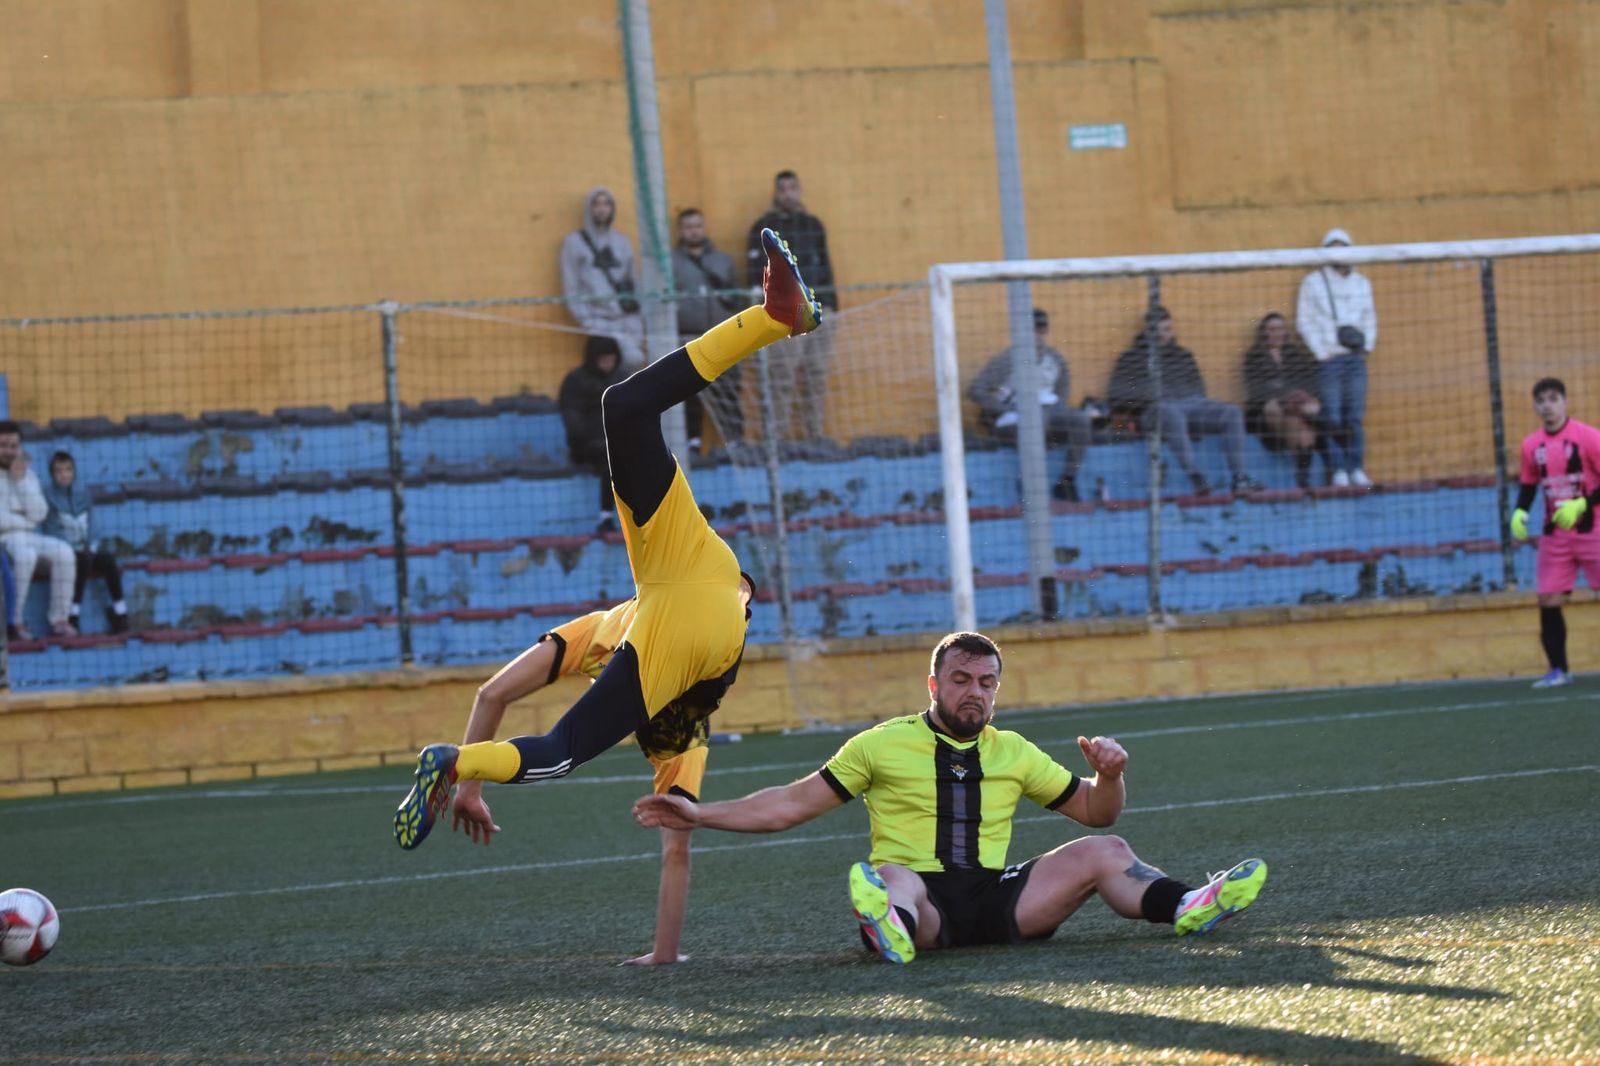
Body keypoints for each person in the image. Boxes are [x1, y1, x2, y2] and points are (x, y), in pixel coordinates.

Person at [393, 228, 821, 871]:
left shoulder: (625, 649)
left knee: (623, 406)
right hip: (693, 599)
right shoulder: (677, 724)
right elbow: (676, 841)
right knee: (562, 748)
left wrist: (471, 778)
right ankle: (776, 317)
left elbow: (495, 697)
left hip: (694, 577)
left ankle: (774, 319)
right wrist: (469, 776)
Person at [634, 631, 1268, 964]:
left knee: (1105, 847)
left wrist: (1110, 776)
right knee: (889, 875)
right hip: (927, 904)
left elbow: (1096, 811)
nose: (975, 693)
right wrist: (701, 813)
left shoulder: (1013, 749)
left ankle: (1189, 904)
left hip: (1000, 902)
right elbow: (790, 805)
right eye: (961, 680)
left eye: (987, 683)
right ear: (933, 683)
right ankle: (892, 928)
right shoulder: (880, 745)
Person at [440, 593, 749, 965]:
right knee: (560, 753)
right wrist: (664, 954)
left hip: (628, 622)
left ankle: (460, 761)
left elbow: (491, 694)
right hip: (684, 634)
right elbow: (676, 849)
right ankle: (457, 760)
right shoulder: (683, 739)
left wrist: (469, 791)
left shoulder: (605, 626)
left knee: (553, 745)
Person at [1107, 308, 1264, 496]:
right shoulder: (1130, 358)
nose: (1163, 335)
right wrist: (1146, 395)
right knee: (1170, 412)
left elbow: (1199, 389)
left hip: (1191, 406)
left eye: (1167, 329)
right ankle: (1194, 475)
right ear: (1147, 331)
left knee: (1231, 412)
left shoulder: (1183, 355)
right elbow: (1116, 395)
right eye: (1157, 330)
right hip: (1152, 412)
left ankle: (1240, 478)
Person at [1509, 377, 1600, 688]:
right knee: (1548, 598)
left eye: (1553, 399)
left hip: (1594, 529)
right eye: (1541, 400)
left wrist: (1582, 505)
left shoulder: (1588, 438)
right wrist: (1520, 512)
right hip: (1555, 535)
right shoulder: (1531, 445)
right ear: (1535, 406)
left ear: (1564, 402)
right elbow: (1529, 483)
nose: (1547, 406)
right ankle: (1558, 670)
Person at [745, 171, 837, 442]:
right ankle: (778, 441)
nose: (787, 193)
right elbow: (754, 272)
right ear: (776, 193)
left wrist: (831, 306)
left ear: (799, 190)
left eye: (792, 188)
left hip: (820, 309)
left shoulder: (813, 224)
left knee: (816, 375)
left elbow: (826, 266)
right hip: (785, 311)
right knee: (781, 378)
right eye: (782, 189)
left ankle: (814, 436)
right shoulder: (763, 227)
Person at [966, 308, 1093, 501]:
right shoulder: (1007, 360)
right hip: (1013, 421)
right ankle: (1030, 481)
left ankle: (1067, 480)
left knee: (1080, 420)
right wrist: (1005, 408)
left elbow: (1062, 393)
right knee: (1035, 419)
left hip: (1048, 416)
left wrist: (1053, 408)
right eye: (1033, 331)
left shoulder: (1055, 359)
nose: (1038, 336)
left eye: (1041, 331)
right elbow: (975, 390)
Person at [1295, 228, 1378, 487]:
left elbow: (1370, 318)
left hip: (1355, 359)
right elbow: (1304, 320)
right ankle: (1338, 468)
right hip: (1329, 360)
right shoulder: (1313, 282)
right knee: (1331, 415)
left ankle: (1356, 467)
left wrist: (1367, 346)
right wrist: (1321, 352)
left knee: (1354, 416)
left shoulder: (1362, 283)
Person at [671, 208, 747, 450]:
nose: (694, 231)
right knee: (688, 390)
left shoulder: (722, 260)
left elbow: (738, 296)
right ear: (681, 230)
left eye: (697, 225)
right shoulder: (670, 262)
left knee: (728, 389)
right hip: (688, 334)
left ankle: (735, 441)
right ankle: (692, 442)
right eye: (688, 226)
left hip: (722, 334)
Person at [0, 421, 76, 638]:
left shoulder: (27, 475)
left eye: (14, 446)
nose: (9, 451)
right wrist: (25, 521)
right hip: (4, 540)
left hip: (29, 535)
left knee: (64, 552)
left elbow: (40, 514)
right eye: (3, 445)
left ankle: (59, 619)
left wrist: (21, 480)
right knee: (26, 556)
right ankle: (14, 622)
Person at [41, 450, 129, 634]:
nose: (64, 475)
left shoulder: (84, 493)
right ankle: (73, 615)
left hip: (87, 548)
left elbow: (93, 524)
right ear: (52, 474)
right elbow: (51, 530)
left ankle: (121, 613)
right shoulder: (48, 497)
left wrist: (91, 545)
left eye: (68, 470)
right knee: (82, 560)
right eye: (59, 471)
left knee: (107, 559)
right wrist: (74, 548)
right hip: (65, 551)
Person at [560, 187, 646, 369]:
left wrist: (638, 317)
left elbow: (634, 281)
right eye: (596, 203)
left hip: (627, 320)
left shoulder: (622, 242)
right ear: (589, 208)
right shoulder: (574, 243)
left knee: (634, 363)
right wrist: (586, 320)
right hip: (598, 320)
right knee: (605, 370)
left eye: (606, 203)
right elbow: (571, 285)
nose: (601, 208)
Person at [1241, 312, 1328, 489]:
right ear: (1263, 333)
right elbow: (1257, 391)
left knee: (1304, 426)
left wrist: (1305, 398)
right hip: (1266, 416)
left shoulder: (1295, 356)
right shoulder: (1254, 357)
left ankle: (1303, 477)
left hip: (1297, 410)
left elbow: (1310, 384)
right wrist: (1288, 395)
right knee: (1281, 411)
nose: (1276, 333)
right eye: (1271, 329)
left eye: (1280, 329)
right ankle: (1308, 471)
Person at [559, 334, 629, 532]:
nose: (608, 364)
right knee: (612, 457)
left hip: (618, 441)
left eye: (611, 360)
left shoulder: (623, 379)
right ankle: (605, 517)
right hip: (586, 446)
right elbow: (571, 415)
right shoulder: (575, 381)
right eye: (603, 360)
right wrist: (586, 436)